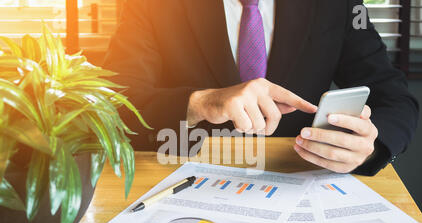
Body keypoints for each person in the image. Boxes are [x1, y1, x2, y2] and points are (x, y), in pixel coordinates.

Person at [104, 0, 419, 176]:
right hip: (180, 177)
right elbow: (113, 105)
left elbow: (395, 99)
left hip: (297, 177)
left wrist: (369, 148)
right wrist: (201, 102)